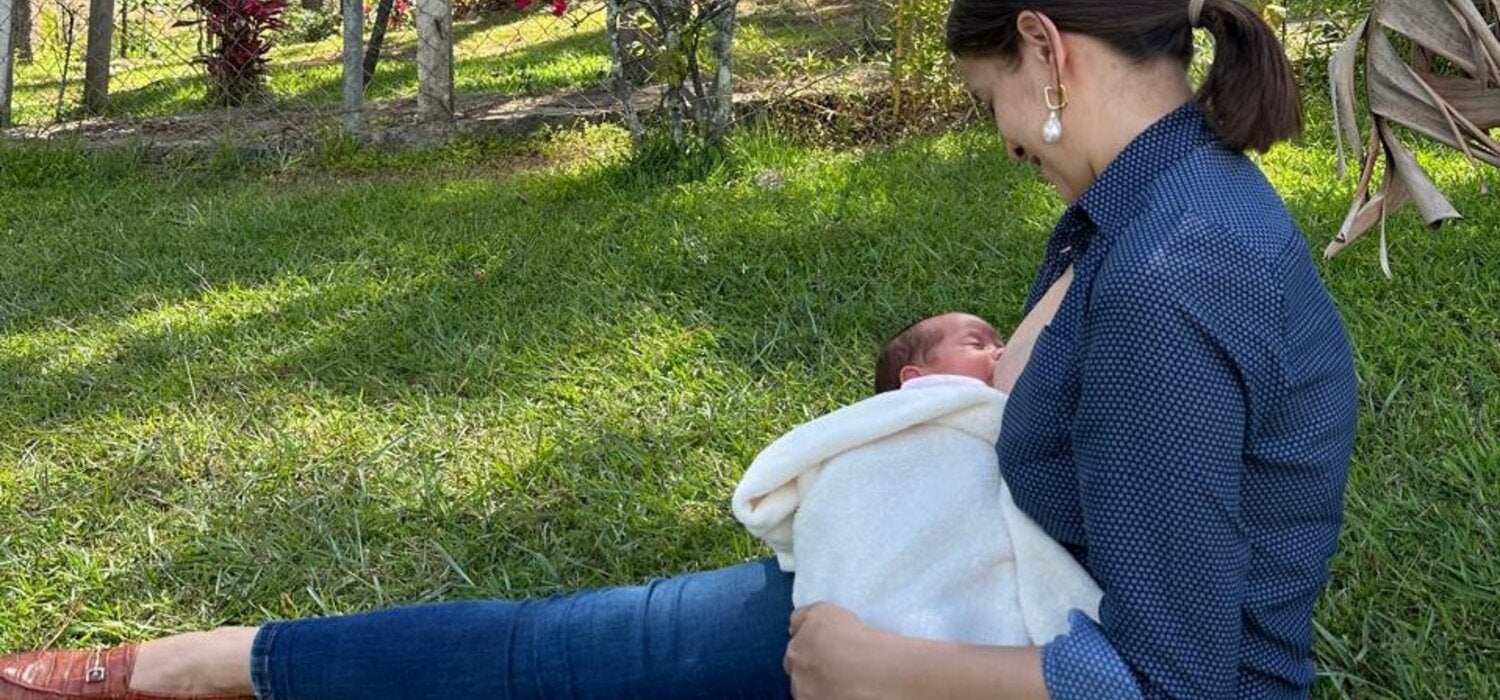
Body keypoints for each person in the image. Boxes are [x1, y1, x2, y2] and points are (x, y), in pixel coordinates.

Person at [0, 0, 1358, 698]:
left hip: (958, 649)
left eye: (987, 94)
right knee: (569, 649)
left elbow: (1185, 685)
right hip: (969, 597)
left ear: (1048, 52)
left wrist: (864, 666)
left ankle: (182, 670)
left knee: (559, 662)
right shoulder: (1155, 206)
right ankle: (191, 665)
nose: (995, 134)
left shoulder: (1172, 274)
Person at [734, 312, 1102, 648]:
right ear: (915, 378)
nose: (999, 352)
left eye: (999, 343)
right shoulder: (880, 423)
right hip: (874, 576)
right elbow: (820, 463)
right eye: (977, 343)